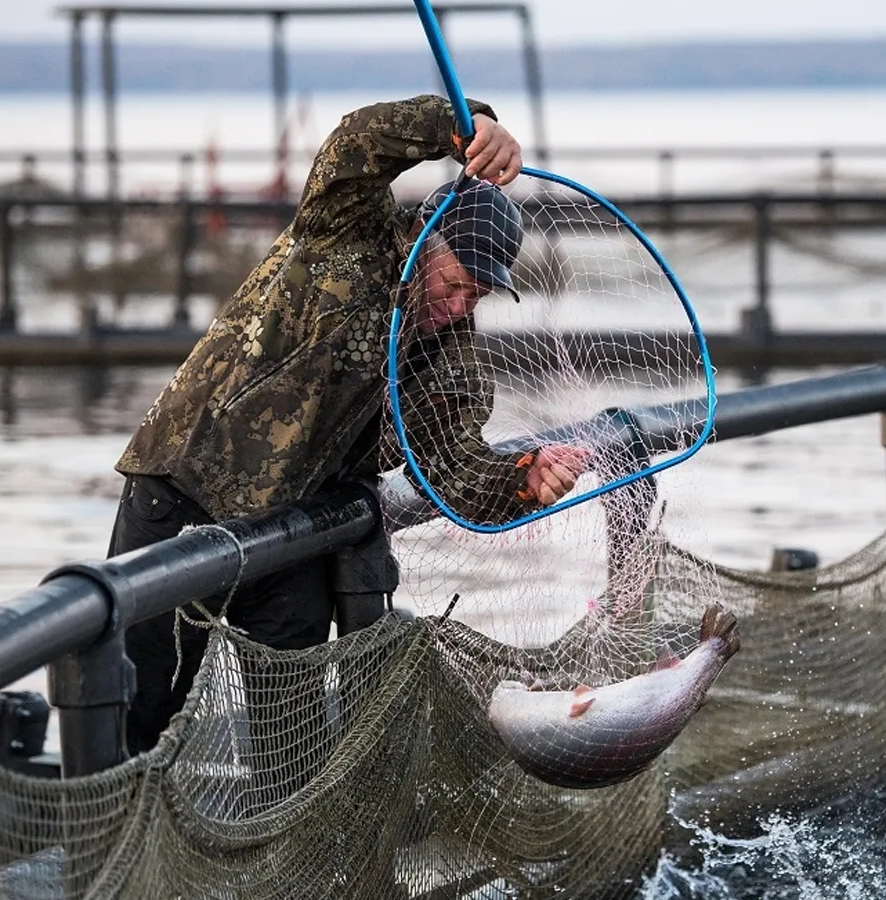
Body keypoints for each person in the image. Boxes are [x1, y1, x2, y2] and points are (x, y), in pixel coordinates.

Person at [107, 94, 591, 756]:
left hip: (291, 536)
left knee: (293, 737)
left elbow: (450, 467)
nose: (458, 304)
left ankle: (282, 852)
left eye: (478, 293)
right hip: (181, 494)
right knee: (140, 710)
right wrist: (464, 123)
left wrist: (520, 479)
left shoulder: (453, 353)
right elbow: (355, 143)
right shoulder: (345, 230)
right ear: (426, 241)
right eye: (455, 281)